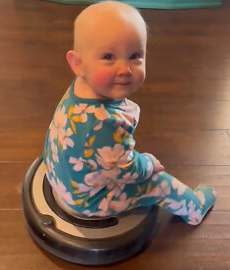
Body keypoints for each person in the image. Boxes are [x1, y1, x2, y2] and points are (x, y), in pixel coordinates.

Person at [43, 1, 216, 225]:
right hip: (90, 200)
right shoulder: (103, 123)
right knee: (158, 182)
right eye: (108, 57)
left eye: (135, 55)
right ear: (78, 64)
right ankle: (195, 208)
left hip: (60, 175)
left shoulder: (81, 87)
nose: (124, 69)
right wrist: (149, 163)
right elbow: (126, 171)